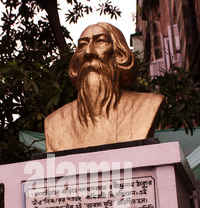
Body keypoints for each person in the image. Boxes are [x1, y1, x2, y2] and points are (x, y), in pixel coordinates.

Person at [44, 22, 164, 152]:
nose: (89, 52)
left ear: (119, 55)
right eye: (83, 45)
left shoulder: (147, 105)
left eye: (100, 41)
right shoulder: (54, 122)